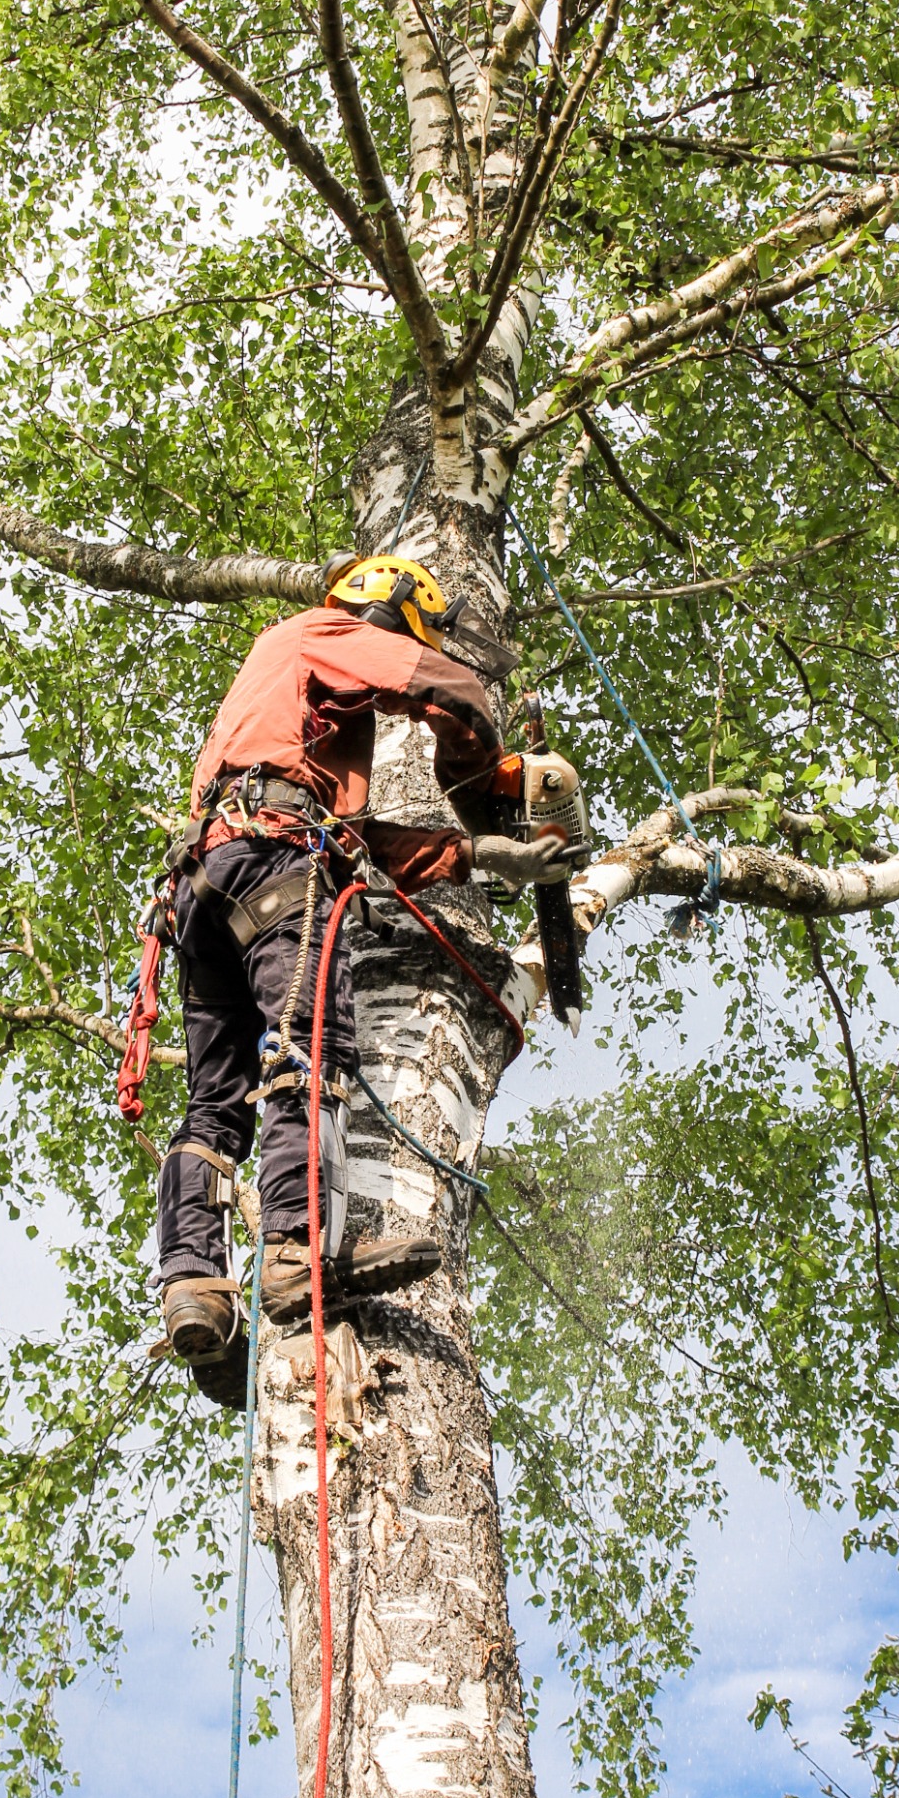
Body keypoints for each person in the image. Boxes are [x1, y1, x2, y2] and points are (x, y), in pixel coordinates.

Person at [155, 551, 572, 1406]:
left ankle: (192, 1283)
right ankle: (297, 1251)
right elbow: (447, 689)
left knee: (212, 1104)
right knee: (308, 1050)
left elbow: (351, 841)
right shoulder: (325, 632)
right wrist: (488, 775)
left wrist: (481, 853)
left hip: (204, 886)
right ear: (389, 608)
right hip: (274, 872)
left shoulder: (275, 709)